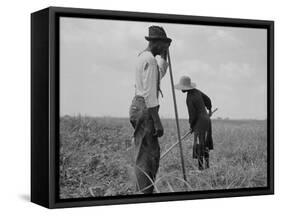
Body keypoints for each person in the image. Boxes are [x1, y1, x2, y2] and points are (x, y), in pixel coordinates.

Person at [129, 26, 172, 193]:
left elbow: (157, 76)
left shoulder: (144, 57)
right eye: (163, 44)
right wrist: (157, 122)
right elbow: (149, 95)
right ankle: (144, 194)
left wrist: (165, 56)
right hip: (145, 108)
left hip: (138, 106)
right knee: (148, 157)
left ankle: (143, 190)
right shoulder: (150, 60)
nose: (164, 48)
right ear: (155, 42)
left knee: (146, 153)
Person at [175, 76, 213, 170]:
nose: (181, 90)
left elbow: (193, 115)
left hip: (200, 123)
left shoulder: (189, 98)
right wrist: (209, 109)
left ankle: (201, 169)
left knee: (199, 144)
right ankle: (207, 166)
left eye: (182, 88)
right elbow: (207, 99)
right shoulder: (197, 91)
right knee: (205, 143)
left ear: (186, 87)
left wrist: (192, 126)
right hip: (207, 120)